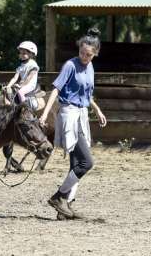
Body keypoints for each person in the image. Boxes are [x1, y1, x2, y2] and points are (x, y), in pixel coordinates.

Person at [40, 28, 107, 220]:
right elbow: (55, 89)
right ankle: (58, 196)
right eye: (82, 53)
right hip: (69, 114)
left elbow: (86, 94)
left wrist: (97, 109)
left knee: (77, 163)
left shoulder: (90, 67)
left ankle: (65, 208)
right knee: (87, 162)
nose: (84, 57)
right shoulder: (70, 65)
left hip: (82, 113)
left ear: (95, 54)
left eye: (89, 55)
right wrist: (45, 114)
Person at [5, 41, 39, 107]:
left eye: (24, 53)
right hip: (23, 84)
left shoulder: (33, 65)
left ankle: (24, 108)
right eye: (20, 53)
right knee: (10, 92)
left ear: (31, 54)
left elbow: (29, 78)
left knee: (20, 92)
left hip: (30, 85)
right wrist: (8, 86)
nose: (21, 55)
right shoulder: (20, 67)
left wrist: (21, 85)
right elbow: (15, 78)